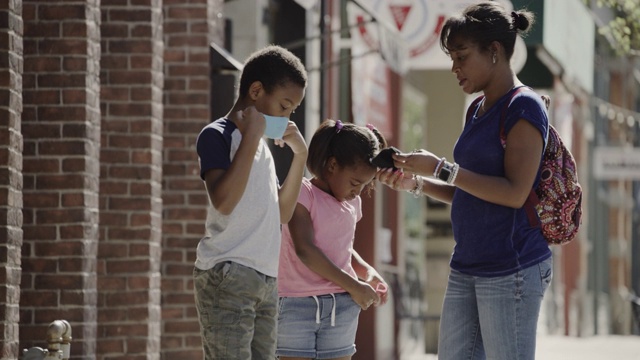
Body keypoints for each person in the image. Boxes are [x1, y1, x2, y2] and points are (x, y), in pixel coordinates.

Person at [376, 3, 552, 360]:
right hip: (467, 264)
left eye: (461, 56)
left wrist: (441, 167)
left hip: (511, 268)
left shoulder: (524, 107)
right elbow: (471, 193)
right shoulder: (476, 108)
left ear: (494, 52)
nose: (454, 67)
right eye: (451, 57)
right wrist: (417, 183)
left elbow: (515, 193)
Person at [193, 45, 308, 360]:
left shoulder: (262, 150)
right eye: (284, 106)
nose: (286, 118)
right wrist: (253, 136)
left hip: (266, 279)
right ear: (256, 90)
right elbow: (225, 201)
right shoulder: (217, 134)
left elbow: (282, 213)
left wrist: (301, 156)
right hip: (229, 273)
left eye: (291, 111)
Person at [276, 120, 390, 360]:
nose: (358, 192)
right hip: (297, 305)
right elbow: (305, 250)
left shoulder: (352, 203)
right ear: (332, 165)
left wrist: (368, 273)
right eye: (355, 183)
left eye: (365, 186)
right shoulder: (303, 193)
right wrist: (354, 285)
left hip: (343, 306)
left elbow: (343, 248)